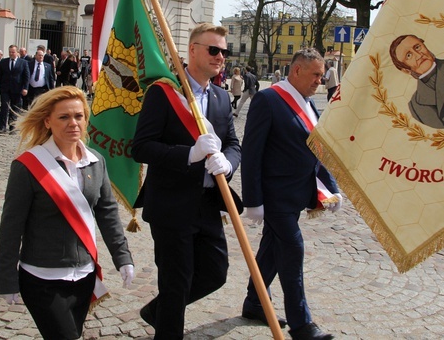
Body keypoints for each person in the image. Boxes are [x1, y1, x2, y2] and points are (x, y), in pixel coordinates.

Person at [0, 86, 135, 339]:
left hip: (84, 276)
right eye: (64, 117)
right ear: (47, 121)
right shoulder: (27, 166)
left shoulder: (96, 161)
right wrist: (5, 278)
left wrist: (122, 257)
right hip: (42, 278)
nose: (73, 123)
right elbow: (11, 227)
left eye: (79, 116)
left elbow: (108, 213)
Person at [132, 23, 241, 339]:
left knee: (215, 273)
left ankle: (157, 311)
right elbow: (141, 146)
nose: (220, 56)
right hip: (171, 204)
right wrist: (189, 154)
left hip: (207, 204)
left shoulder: (220, 97)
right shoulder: (163, 93)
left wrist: (228, 163)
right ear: (192, 50)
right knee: (176, 283)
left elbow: (233, 144)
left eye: (224, 51)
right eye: (213, 49)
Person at [240, 48, 342, 340]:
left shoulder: (309, 104)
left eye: (322, 77)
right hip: (274, 197)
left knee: (272, 248)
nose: (319, 82)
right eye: (315, 75)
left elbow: (317, 152)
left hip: (297, 194)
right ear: (296, 71)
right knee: (292, 249)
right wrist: (253, 201)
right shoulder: (268, 99)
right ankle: (302, 325)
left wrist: (331, 189)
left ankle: (255, 301)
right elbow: (252, 153)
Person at [0, 45, 29, 133]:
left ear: (17, 52)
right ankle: (2, 127)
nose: (11, 54)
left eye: (13, 52)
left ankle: (12, 126)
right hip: (5, 88)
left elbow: (26, 77)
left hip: (17, 89)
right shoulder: (4, 62)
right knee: (4, 107)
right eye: (10, 52)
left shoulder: (23, 63)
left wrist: (25, 88)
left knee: (15, 108)